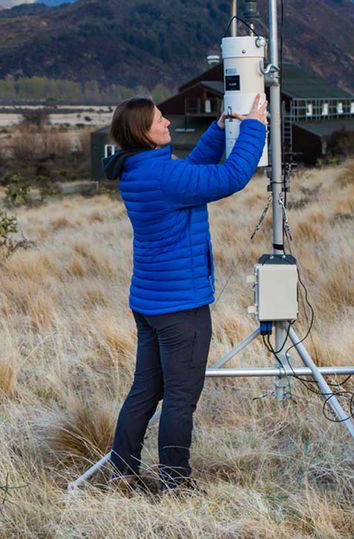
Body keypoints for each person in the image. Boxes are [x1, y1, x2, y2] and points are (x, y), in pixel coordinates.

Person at [102, 93, 267, 493]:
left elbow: (191, 172)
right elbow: (232, 177)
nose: (168, 124)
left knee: (146, 389)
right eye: (161, 121)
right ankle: (176, 483)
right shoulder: (163, 178)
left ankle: (122, 473)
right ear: (144, 132)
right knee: (180, 398)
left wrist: (219, 128)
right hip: (181, 308)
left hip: (150, 304)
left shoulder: (141, 170)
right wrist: (255, 127)